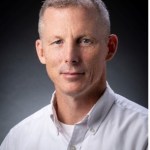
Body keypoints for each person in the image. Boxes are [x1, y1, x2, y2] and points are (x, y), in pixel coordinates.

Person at [0, 0, 148, 149]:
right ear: (41, 51)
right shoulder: (16, 142)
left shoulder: (145, 134)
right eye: (58, 42)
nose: (70, 57)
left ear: (110, 47)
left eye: (85, 41)